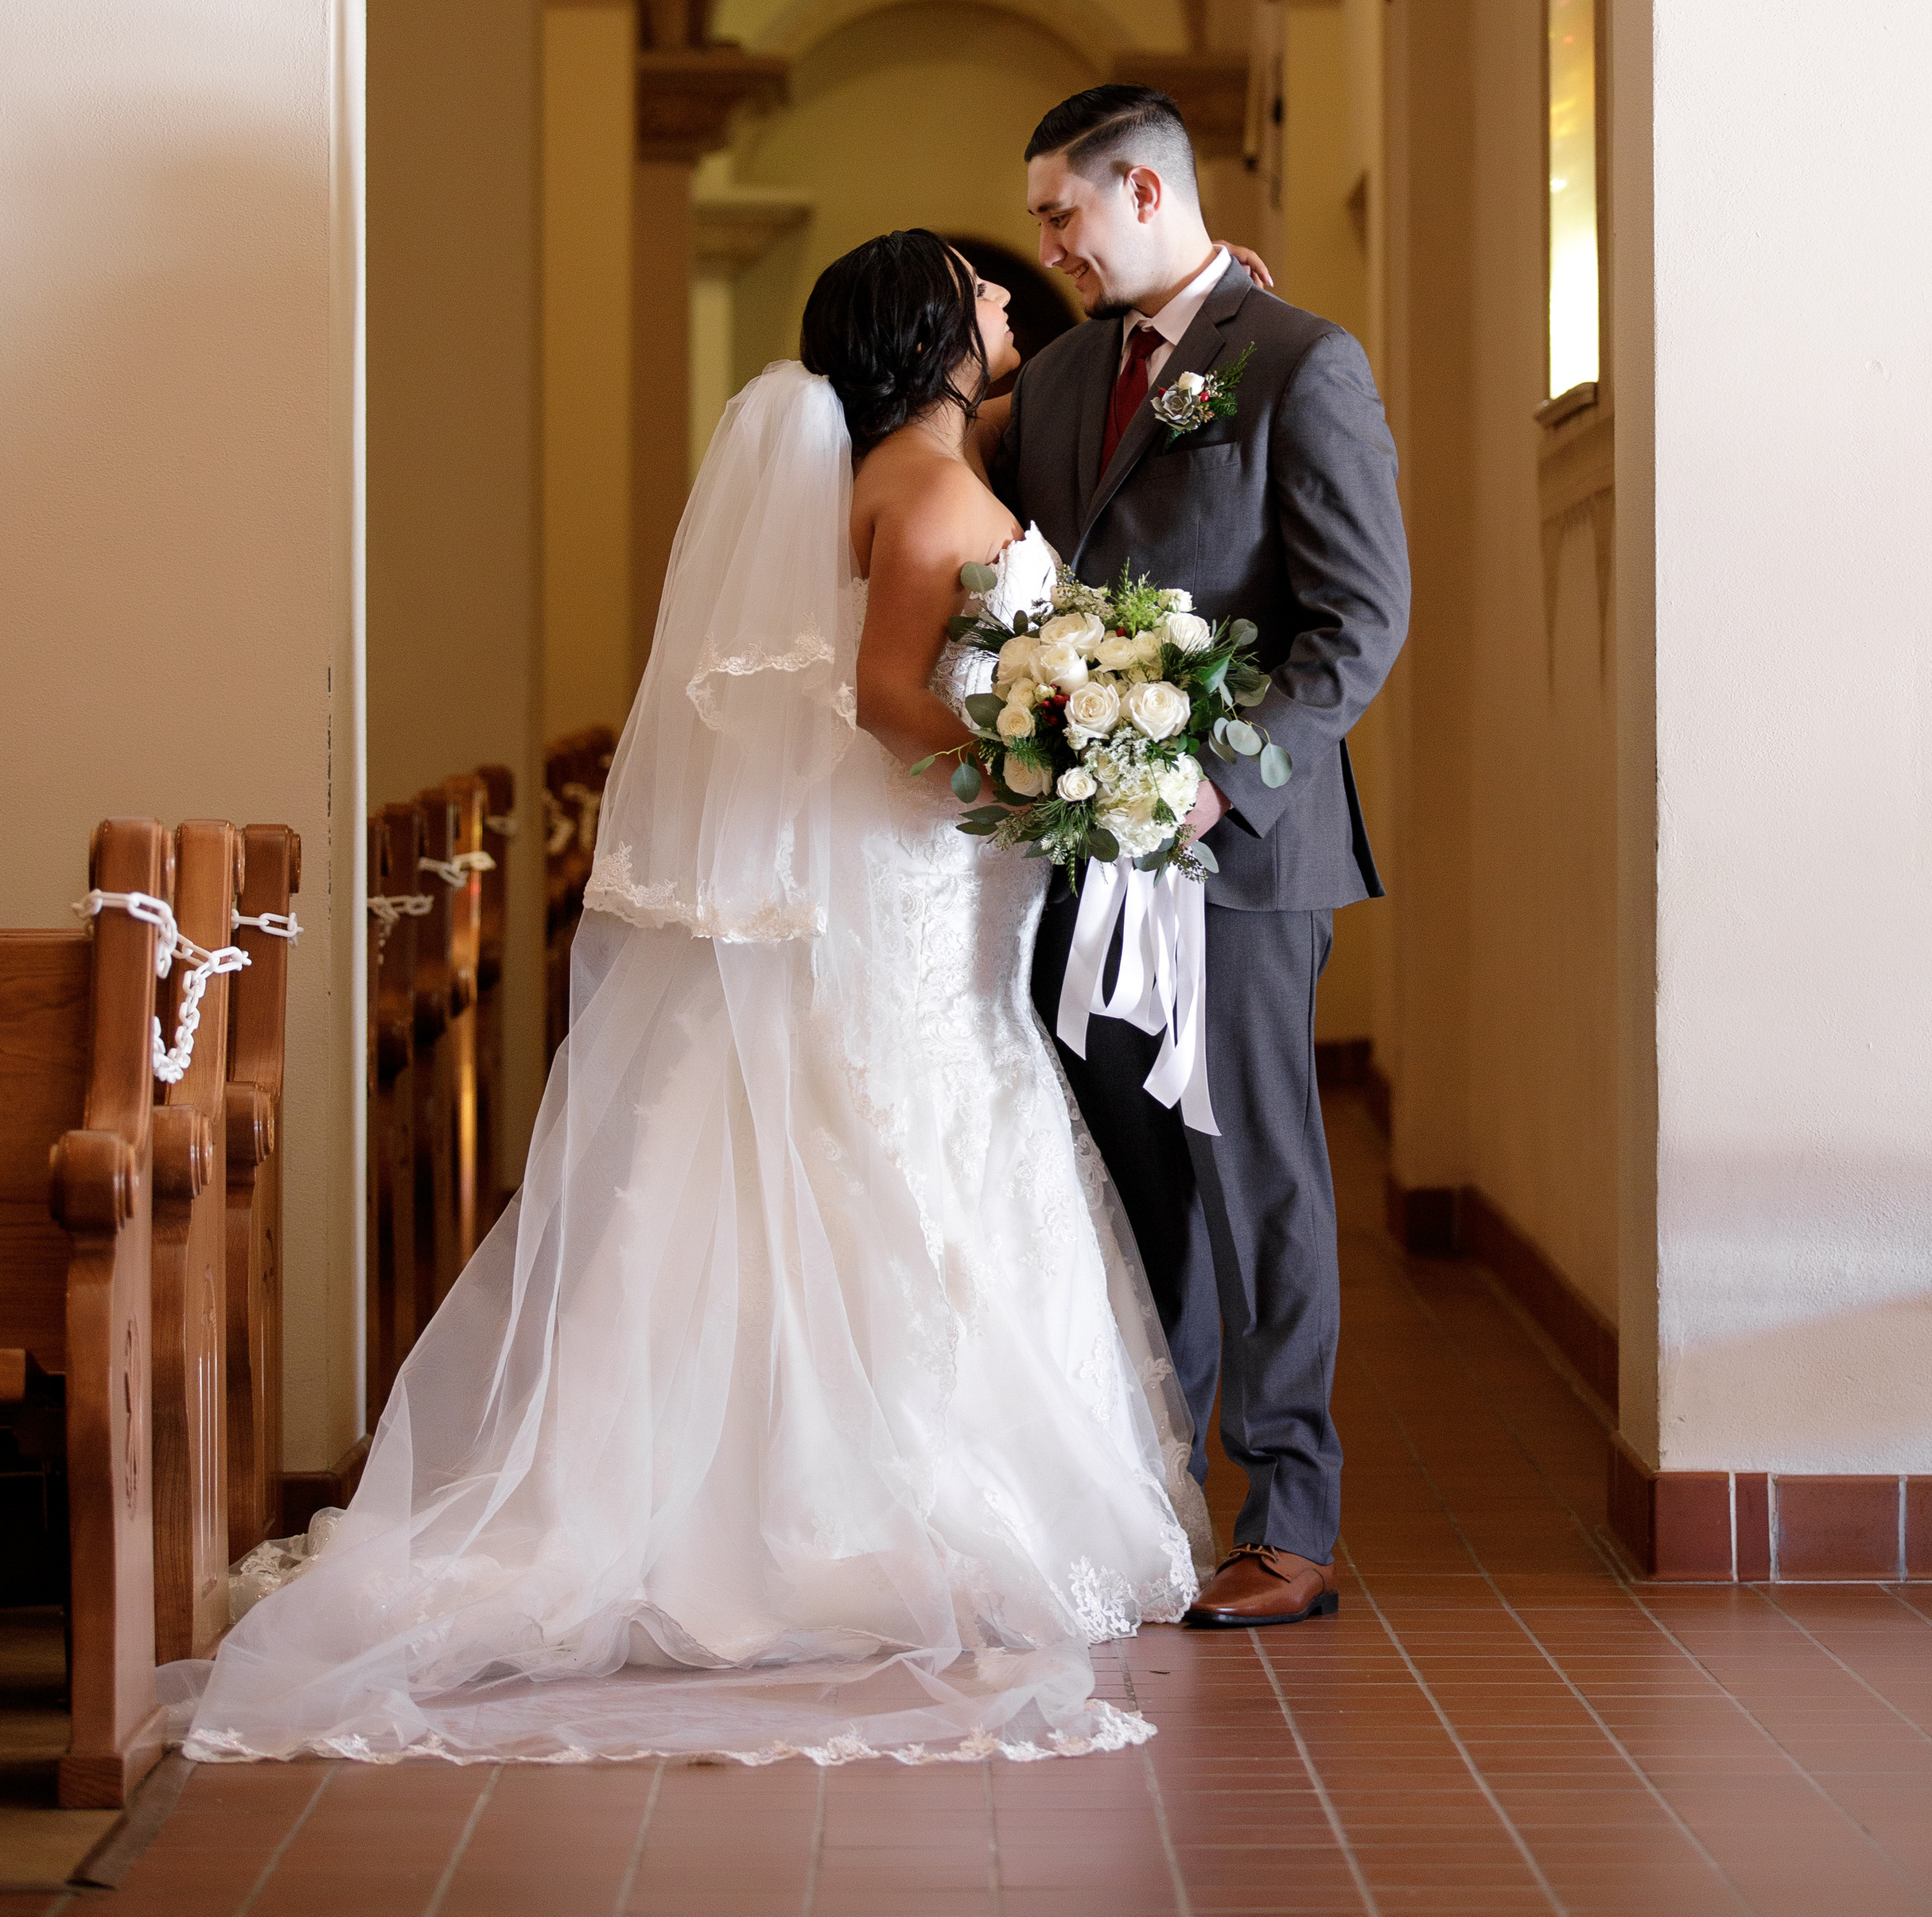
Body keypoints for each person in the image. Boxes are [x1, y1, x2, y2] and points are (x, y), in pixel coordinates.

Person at [163, 231, 1208, 1771]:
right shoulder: (921, 490)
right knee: (904, 1140)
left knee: (896, 1134)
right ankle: (866, 1508)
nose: (1005, 305)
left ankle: (800, 1480)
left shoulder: (903, 475)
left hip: (930, 888)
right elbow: (886, 698)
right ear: (930, 332)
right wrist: (1046, 766)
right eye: (983, 296)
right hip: (921, 884)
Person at [989, 85, 1410, 1629]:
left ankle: (1287, 1511)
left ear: (1147, 196)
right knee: (1124, 1177)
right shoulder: (1052, 385)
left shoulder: (1300, 363)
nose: (1051, 245)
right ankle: (1147, 1491)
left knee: (1260, 1181)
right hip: (1082, 850)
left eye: (1063, 215)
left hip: (1237, 852)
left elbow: (1355, 618)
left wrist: (1217, 784)